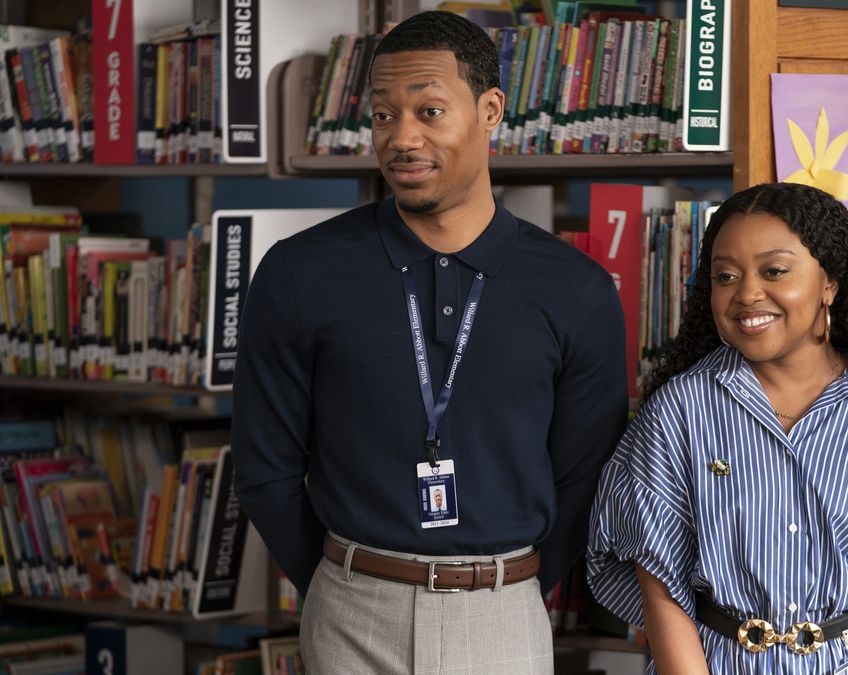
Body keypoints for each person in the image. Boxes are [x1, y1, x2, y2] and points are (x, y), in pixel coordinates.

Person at [231, 11, 627, 674]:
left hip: (503, 614)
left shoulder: (577, 288)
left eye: (430, 111)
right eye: (384, 115)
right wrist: (344, 581)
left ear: (490, 110)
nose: (402, 138)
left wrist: (506, 580)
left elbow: (586, 477)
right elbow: (265, 467)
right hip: (351, 607)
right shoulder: (299, 272)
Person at [587, 183, 848, 674]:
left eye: (774, 271)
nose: (747, 294)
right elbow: (660, 582)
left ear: (830, 284)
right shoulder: (681, 410)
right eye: (725, 276)